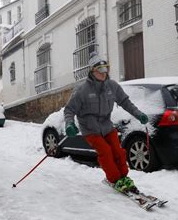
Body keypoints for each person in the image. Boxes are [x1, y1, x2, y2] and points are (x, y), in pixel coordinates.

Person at [63, 52, 149, 193]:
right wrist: (69, 124)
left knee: (118, 151)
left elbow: (125, 102)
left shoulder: (112, 86)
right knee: (106, 152)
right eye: (100, 70)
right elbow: (69, 109)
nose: (104, 73)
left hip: (106, 126)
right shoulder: (82, 90)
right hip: (90, 128)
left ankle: (123, 176)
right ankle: (114, 179)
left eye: (106, 69)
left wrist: (139, 114)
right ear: (92, 71)